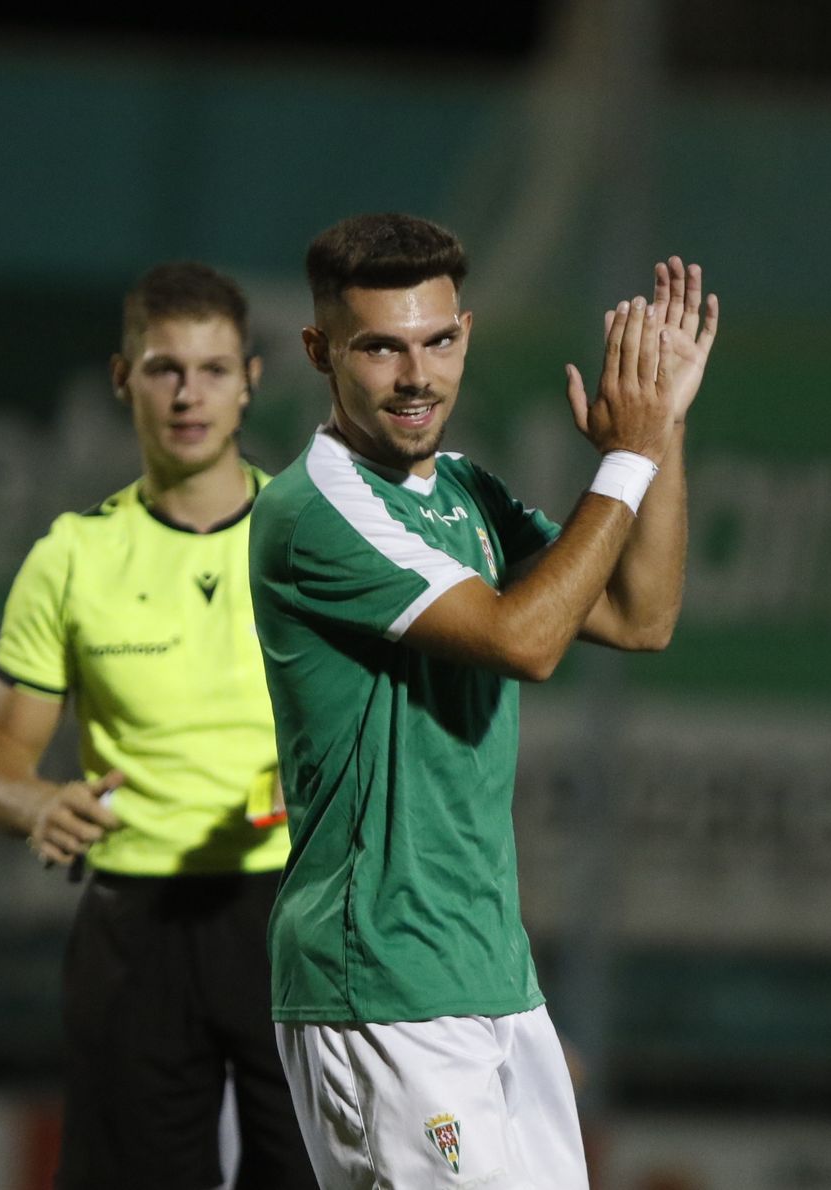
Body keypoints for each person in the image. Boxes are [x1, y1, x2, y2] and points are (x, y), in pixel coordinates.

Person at [248, 212, 717, 1188]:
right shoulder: (312, 508)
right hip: (379, 977)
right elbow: (524, 640)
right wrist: (621, 464)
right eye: (379, 346)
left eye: (438, 340)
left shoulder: (464, 490)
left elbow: (640, 614)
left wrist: (660, 430)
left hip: (488, 974)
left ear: (465, 332)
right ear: (318, 350)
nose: (416, 374)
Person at [0, 262, 317, 1190]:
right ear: (124, 379)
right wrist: (38, 800)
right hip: (135, 926)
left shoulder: (317, 537)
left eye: (212, 368)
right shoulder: (73, 556)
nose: (188, 392)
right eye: (164, 368)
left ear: (251, 380)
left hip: (292, 916)